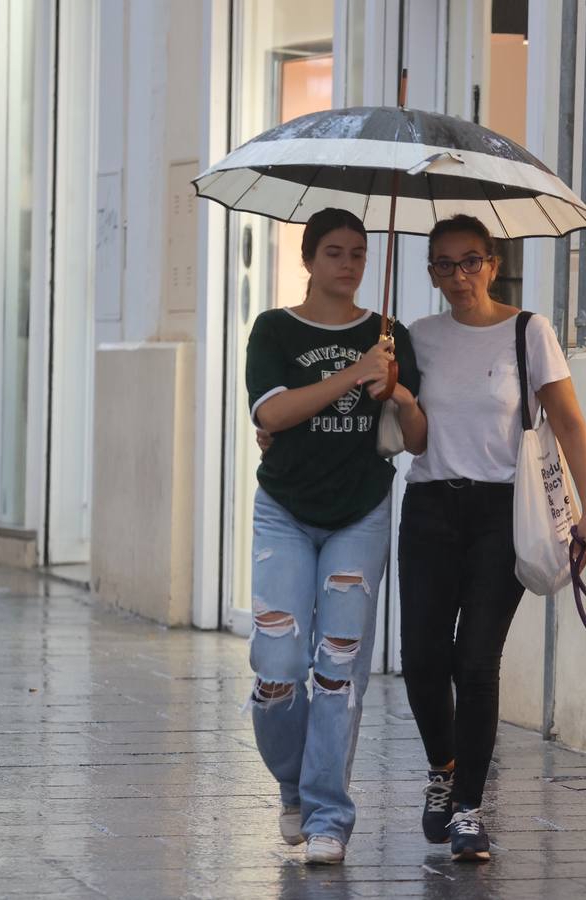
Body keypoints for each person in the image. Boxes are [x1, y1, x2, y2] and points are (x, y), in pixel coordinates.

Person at [399, 215, 586, 862]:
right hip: (430, 507)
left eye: (469, 262)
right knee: (422, 657)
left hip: (499, 514)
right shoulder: (415, 338)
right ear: (430, 271)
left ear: (493, 264)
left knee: (475, 658)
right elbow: (410, 437)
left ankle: (466, 808)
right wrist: (393, 390)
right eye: (442, 265)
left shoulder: (528, 331)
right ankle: (442, 768)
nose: (457, 277)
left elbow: (569, 423)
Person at [243, 207, 425, 866]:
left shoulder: (390, 334)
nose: (348, 266)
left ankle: (327, 815)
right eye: (335, 253)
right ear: (309, 259)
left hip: (361, 513)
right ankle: (293, 784)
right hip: (284, 512)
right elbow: (272, 411)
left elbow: (417, 438)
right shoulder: (274, 330)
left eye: (358, 254)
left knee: (339, 667)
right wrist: (352, 375)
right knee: (278, 665)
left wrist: (399, 392)